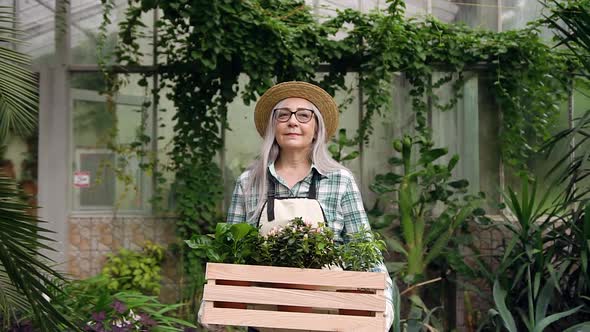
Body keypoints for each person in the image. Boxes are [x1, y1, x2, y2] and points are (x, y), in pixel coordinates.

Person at [203, 81, 394, 332]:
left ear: (316, 129)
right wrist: (213, 297)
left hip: (330, 316)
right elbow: (229, 253)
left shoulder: (339, 181)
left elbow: (364, 248)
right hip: (265, 317)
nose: (293, 122)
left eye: (304, 115)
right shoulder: (249, 183)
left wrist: (384, 302)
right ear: (274, 126)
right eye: (283, 115)